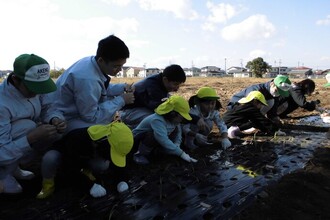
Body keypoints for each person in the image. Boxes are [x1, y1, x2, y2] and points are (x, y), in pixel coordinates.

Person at [37, 35, 134, 198]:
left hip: (71, 114)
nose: (119, 70)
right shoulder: (86, 78)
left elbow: (102, 89)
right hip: (67, 121)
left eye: (122, 66)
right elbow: (91, 116)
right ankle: (84, 167)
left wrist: (121, 88)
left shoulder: (91, 63)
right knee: (100, 157)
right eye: (116, 66)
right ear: (102, 60)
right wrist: (121, 101)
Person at [0, 54, 66, 194]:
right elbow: (1, 150)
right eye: (32, 88)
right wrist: (30, 138)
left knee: (53, 133)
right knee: (28, 127)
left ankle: (14, 166)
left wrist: (54, 118)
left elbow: (48, 107)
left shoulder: (35, 88)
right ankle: (3, 173)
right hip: (3, 147)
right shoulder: (2, 103)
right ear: (15, 79)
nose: (37, 92)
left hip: (16, 138)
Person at [132, 95, 198, 165]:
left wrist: (177, 145)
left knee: (174, 130)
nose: (182, 119)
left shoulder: (174, 120)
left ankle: (159, 151)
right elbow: (162, 139)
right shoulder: (157, 120)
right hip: (138, 140)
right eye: (182, 117)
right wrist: (181, 153)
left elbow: (178, 133)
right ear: (173, 113)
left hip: (156, 140)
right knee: (152, 135)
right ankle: (140, 155)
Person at [120, 64, 186, 129]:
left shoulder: (160, 81)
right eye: (175, 84)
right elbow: (162, 109)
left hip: (143, 107)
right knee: (157, 120)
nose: (177, 89)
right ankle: (134, 132)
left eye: (178, 85)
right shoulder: (152, 87)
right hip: (128, 112)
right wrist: (182, 117)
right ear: (165, 79)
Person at [227, 75, 292, 125]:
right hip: (237, 107)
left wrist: (275, 119)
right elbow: (249, 108)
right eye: (276, 90)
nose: (277, 94)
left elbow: (273, 111)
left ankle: (253, 122)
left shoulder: (274, 94)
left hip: (252, 109)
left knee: (271, 101)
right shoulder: (256, 91)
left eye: (280, 93)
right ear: (272, 84)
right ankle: (247, 123)